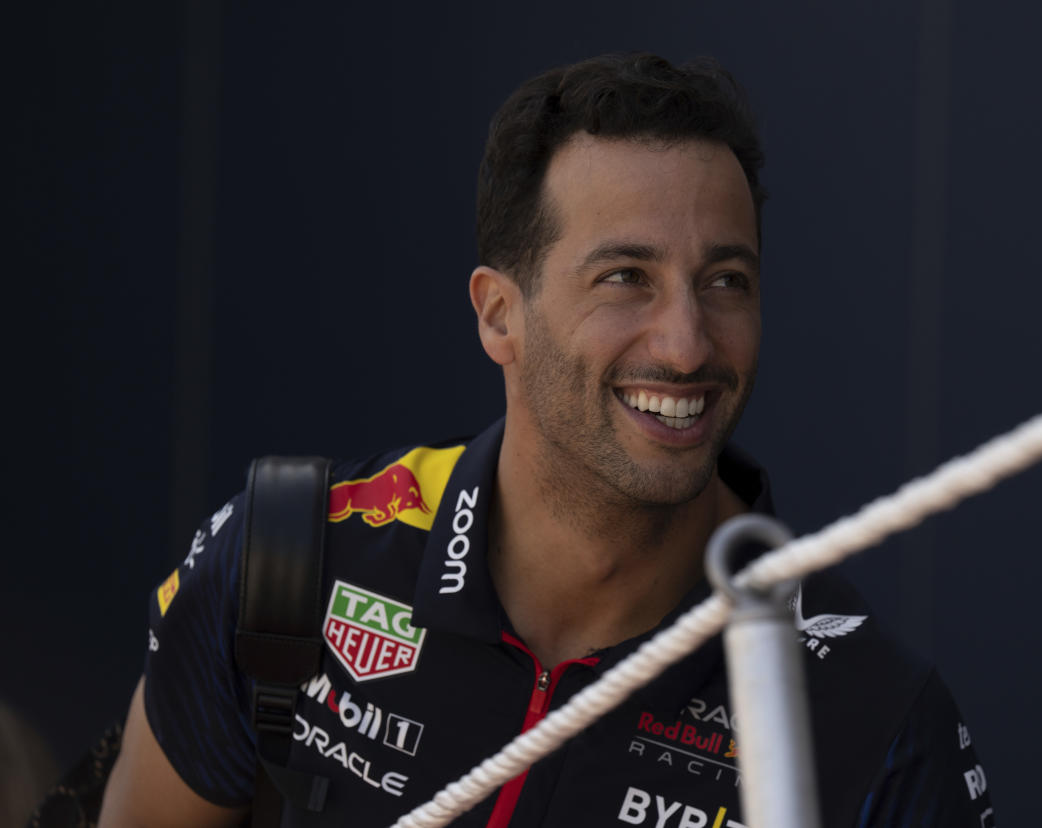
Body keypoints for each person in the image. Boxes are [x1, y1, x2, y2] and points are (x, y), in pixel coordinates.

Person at [99, 53, 994, 827]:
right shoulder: (290, 563)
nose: (686, 346)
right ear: (499, 315)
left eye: (726, 280)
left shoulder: (866, 719)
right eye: (624, 278)